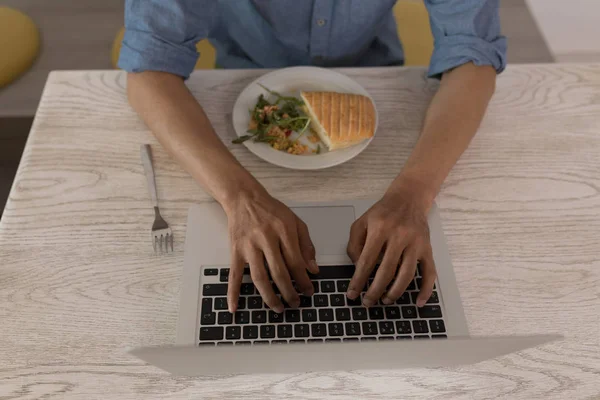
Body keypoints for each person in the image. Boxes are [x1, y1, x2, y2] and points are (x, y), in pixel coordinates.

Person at [119, 0, 506, 314]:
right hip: (238, 84)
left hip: (378, 84)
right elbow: (148, 71)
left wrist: (414, 193)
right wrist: (240, 198)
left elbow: (472, 54)